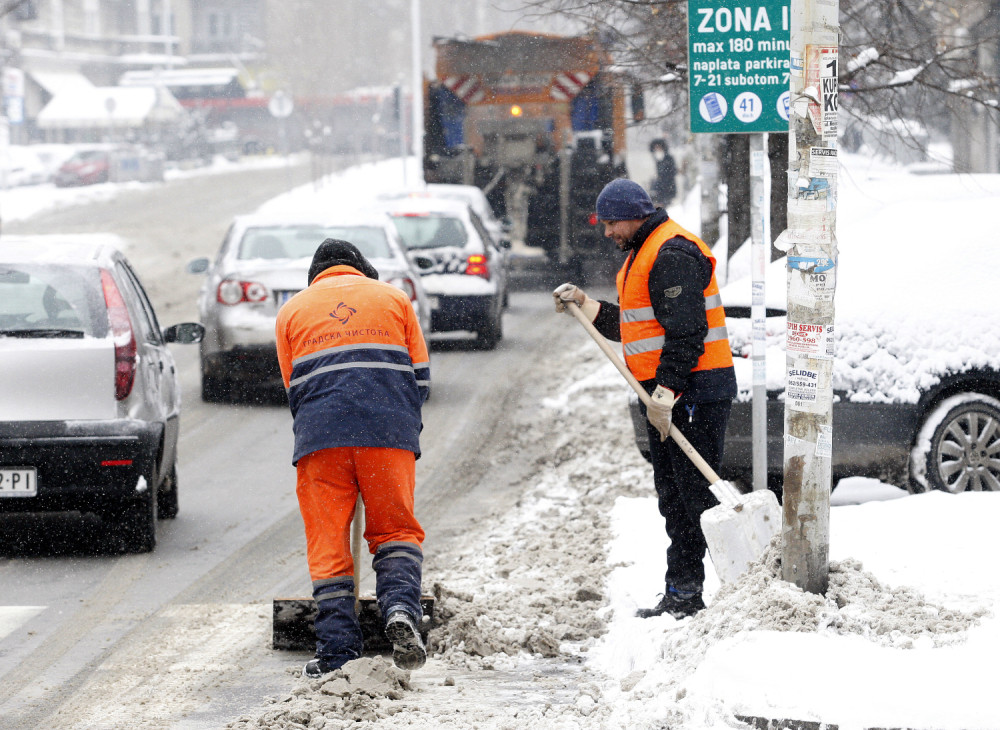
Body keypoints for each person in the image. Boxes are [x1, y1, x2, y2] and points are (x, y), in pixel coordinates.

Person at [552, 178, 736, 619]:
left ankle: (693, 593)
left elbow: (688, 332)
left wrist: (667, 391)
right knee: (673, 495)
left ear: (635, 215)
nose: (607, 232)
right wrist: (586, 304)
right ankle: (681, 591)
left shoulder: (671, 253)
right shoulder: (642, 252)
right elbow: (635, 327)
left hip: (692, 394)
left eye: (612, 223)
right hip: (668, 395)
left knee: (693, 497)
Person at [275, 239, 431, 677]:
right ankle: (400, 607)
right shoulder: (395, 299)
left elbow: (293, 390)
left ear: (315, 277)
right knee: (395, 530)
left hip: (321, 439)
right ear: (362, 270)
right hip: (388, 433)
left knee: (328, 545)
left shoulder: (291, 311)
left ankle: (338, 653)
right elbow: (421, 379)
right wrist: (395, 423)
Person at [649, 138, 677, 207]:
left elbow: (672, 173)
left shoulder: (668, 158)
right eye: (655, 148)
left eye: (658, 147)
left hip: (667, 189)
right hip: (658, 190)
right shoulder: (656, 159)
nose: (657, 149)